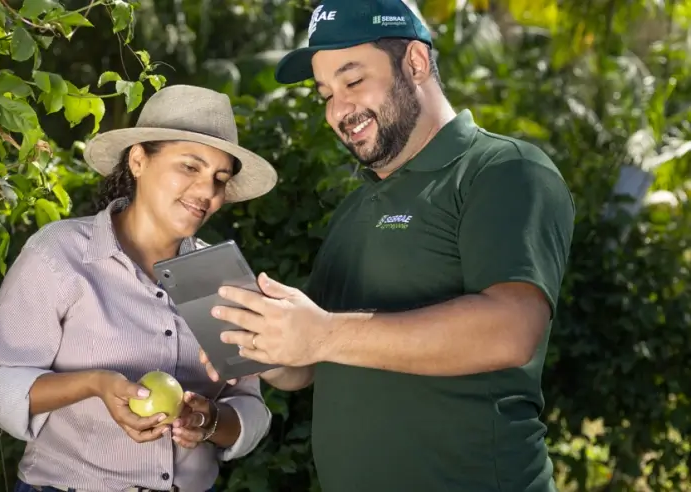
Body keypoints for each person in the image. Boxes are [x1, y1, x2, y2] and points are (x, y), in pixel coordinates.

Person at [200, 1, 576, 491]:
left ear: (416, 63)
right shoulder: (355, 211)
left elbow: (511, 330)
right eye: (325, 94)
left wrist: (323, 334)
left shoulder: (502, 170)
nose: (337, 109)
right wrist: (256, 341)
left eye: (353, 81)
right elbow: (308, 365)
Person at [0, 84, 278, 492]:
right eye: (190, 167)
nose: (207, 192)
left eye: (220, 178)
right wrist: (94, 383)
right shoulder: (60, 253)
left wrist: (209, 422)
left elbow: (251, 406)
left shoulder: (218, 275)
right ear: (138, 160)